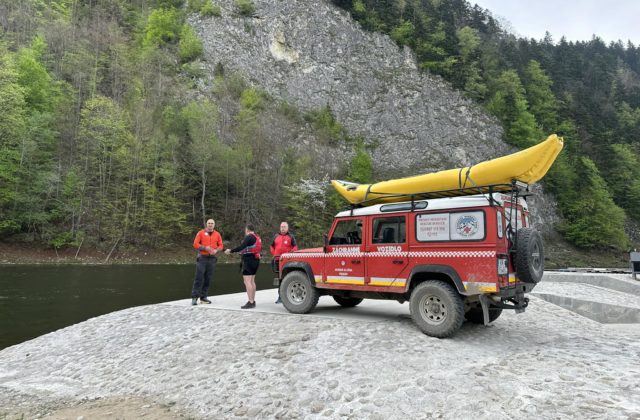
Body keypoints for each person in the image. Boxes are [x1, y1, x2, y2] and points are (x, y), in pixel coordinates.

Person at [225, 224, 262, 309]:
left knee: (247, 281)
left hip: (249, 261)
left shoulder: (249, 237)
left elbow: (241, 247)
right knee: (252, 281)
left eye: (245, 230)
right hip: (255, 260)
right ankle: (253, 301)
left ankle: (250, 302)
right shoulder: (257, 237)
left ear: (247, 230)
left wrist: (231, 251)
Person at [191, 219, 224, 306]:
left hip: (212, 258)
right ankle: (194, 298)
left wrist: (216, 250)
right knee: (199, 278)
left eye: (212, 223)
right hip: (202, 258)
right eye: (209, 223)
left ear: (214, 225)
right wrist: (205, 248)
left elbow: (221, 245)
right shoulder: (201, 233)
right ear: (206, 224)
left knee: (208, 278)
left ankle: (203, 297)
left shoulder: (217, 234)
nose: (210, 225)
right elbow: (195, 244)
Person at [270, 221, 298, 303]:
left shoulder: (291, 236)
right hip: (277, 260)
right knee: (279, 279)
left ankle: (287, 297)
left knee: (287, 279)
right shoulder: (276, 236)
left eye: (284, 227)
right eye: (281, 227)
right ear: (280, 227)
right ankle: (280, 297)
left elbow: (295, 247)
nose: (283, 228)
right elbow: (271, 246)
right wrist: (274, 253)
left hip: (287, 262)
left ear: (287, 228)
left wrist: (290, 254)